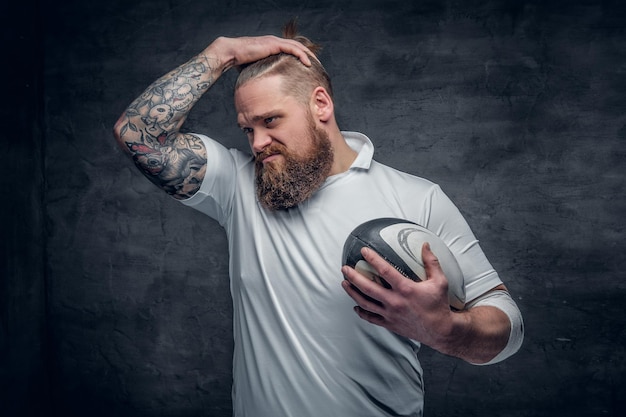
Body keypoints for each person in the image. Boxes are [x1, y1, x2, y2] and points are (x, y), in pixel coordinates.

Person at [113, 20, 523, 417]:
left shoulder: (417, 199)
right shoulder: (237, 185)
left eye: (270, 120)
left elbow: (506, 321)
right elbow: (138, 134)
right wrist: (223, 53)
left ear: (320, 104)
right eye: (247, 130)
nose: (257, 143)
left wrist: (447, 330)